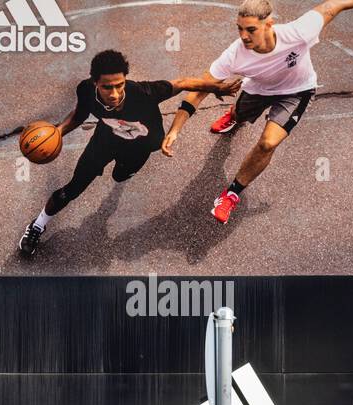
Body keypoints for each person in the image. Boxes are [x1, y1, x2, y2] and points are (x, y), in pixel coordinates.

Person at [162, 0, 353, 223]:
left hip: (296, 92)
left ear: (269, 24)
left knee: (268, 143)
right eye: (240, 29)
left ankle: (231, 194)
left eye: (251, 29)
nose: (243, 36)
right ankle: (235, 115)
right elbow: (199, 89)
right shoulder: (234, 54)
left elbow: (335, 4)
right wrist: (175, 129)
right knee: (240, 113)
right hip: (257, 90)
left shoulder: (298, 32)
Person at [16, 49, 239, 257]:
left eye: (119, 85)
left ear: (125, 80)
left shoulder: (142, 92)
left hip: (140, 147)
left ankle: (124, 172)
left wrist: (216, 88)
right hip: (105, 141)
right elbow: (79, 116)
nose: (114, 93)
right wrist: (57, 132)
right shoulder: (85, 90)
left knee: (119, 176)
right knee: (72, 188)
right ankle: (37, 225)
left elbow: (181, 83)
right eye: (107, 87)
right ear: (95, 83)